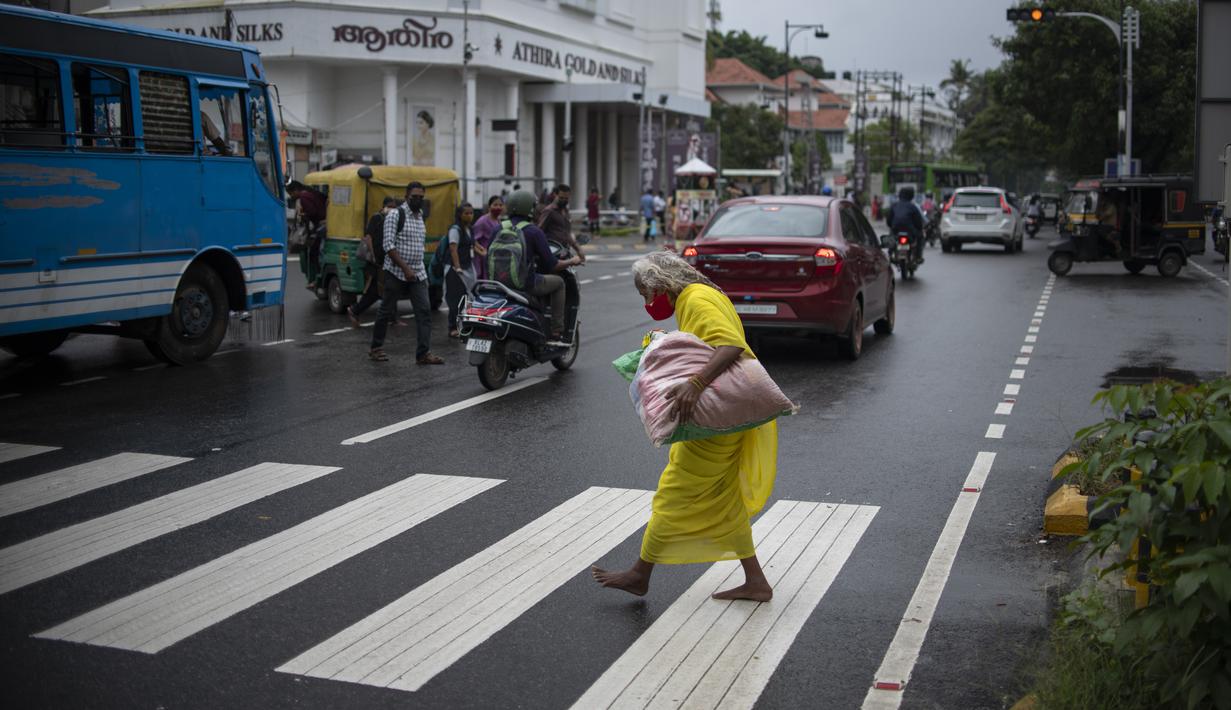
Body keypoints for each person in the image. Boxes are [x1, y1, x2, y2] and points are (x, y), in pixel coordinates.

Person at [591, 250, 777, 601]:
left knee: (674, 491)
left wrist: (695, 383)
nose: (647, 301)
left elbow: (731, 345)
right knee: (722, 496)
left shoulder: (694, 298)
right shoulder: (699, 296)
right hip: (730, 412)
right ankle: (756, 581)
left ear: (661, 283)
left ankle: (639, 574)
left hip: (718, 414)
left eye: (646, 293)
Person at [368, 181, 443, 365]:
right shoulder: (395, 215)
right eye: (414, 197)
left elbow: (417, 245)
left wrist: (416, 269)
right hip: (396, 272)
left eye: (421, 197)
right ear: (406, 196)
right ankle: (376, 348)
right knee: (386, 310)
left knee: (424, 311)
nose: (418, 200)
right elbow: (388, 245)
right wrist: (405, 268)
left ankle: (423, 354)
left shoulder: (420, 217)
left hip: (417, 273)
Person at [504, 190, 580, 344]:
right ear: (530, 208)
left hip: (500, 283)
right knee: (559, 283)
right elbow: (552, 264)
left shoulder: (499, 228)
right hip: (525, 283)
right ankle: (556, 331)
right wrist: (572, 261)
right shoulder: (533, 231)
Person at [348, 196, 399, 327]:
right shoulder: (376, 218)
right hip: (376, 262)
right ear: (384, 206)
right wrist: (373, 255)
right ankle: (354, 310)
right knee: (375, 292)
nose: (392, 210)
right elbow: (369, 237)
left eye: (394, 207)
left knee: (390, 288)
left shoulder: (393, 220)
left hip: (386, 260)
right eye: (391, 207)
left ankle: (392, 318)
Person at [445, 202, 483, 338]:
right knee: (455, 299)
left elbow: (474, 244)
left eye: (471, 213)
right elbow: (453, 248)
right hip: (455, 270)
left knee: (467, 298)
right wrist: (458, 266)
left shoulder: (469, 229)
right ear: (460, 215)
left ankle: (465, 326)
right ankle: (452, 327)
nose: (469, 216)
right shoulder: (455, 229)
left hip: (467, 267)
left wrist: (485, 253)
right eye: (466, 213)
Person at [289, 181, 327, 287]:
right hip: (325, 223)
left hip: (321, 225)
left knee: (314, 253)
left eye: (291, 193)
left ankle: (317, 278)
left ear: (296, 190)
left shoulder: (303, 197)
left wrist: (304, 215)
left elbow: (312, 212)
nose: (291, 196)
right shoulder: (310, 193)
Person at [537, 184, 586, 263]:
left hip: (564, 252)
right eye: (561, 198)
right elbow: (538, 231)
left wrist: (578, 249)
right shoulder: (549, 211)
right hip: (552, 253)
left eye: (566, 198)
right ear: (555, 195)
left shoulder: (566, 211)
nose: (564, 200)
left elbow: (567, 233)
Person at [887, 186, 925, 262]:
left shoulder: (894, 205)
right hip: (910, 230)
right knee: (920, 237)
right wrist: (920, 229)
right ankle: (918, 256)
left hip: (896, 229)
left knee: (891, 236)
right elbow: (918, 221)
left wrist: (892, 226)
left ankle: (890, 253)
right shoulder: (913, 207)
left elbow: (889, 220)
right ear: (911, 196)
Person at [472, 195, 504, 280]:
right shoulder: (482, 221)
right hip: (483, 259)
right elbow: (473, 241)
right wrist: (482, 252)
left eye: (500, 205)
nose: (498, 207)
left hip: (495, 258)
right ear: (489, 207)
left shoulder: (498, 220)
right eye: (495, 205)